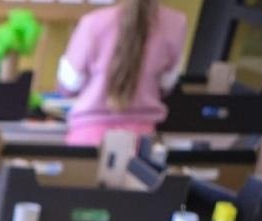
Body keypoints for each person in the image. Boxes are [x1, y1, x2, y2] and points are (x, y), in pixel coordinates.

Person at [58, 0, 187, 147]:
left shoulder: (92, 22)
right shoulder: (176, 23)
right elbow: (166, 84)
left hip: (87, 140)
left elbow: (70, 84)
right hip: (142, 143)